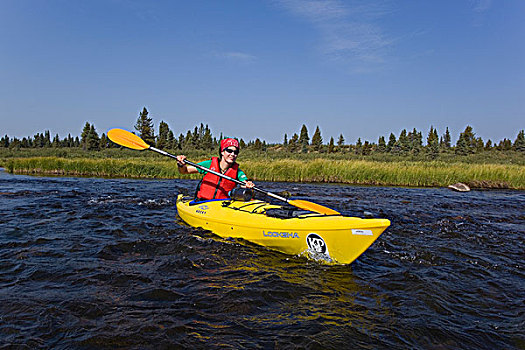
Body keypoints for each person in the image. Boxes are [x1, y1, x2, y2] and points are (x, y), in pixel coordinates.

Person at [176, 138, 255, 200]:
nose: (233, 154)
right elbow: (185, 171)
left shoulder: (237, 171)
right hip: (203, 202)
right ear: (222, 152)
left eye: (236, 152)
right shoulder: (209, 164)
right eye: (229, 151)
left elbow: (244, 182)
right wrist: (181, 165)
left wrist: (248, 185)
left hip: (222, 205)